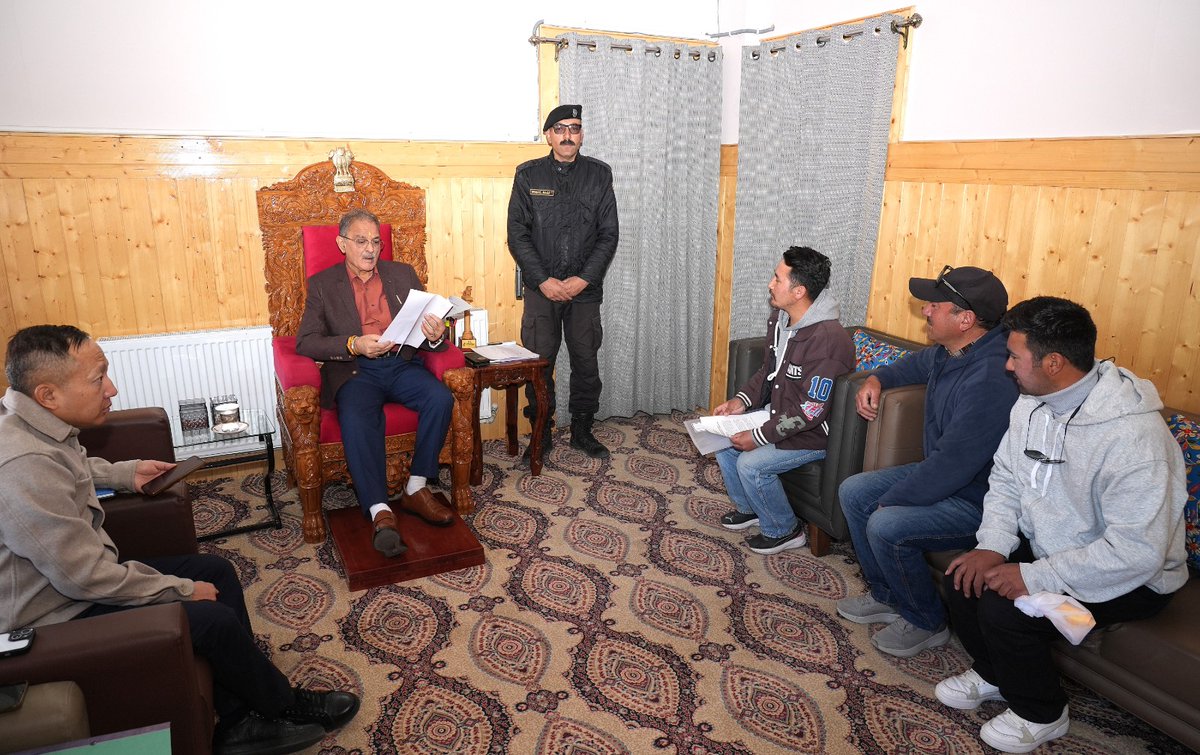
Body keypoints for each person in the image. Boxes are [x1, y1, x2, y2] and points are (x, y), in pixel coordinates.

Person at [0, 325, 360, 755]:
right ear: (48, 394)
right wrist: (181, 591)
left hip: (72, 584)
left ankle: (240, 714)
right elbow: (84, 579)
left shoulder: (32, 426)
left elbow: (69, 469)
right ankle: (279, 705)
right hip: (53, 617)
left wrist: (122, 472)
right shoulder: (21, 465)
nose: (111, 389)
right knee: (210, 613)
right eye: (98, 379)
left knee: (217, 570)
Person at [936, 297, 1187, 753]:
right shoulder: (1031, 403)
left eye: (1014, 356)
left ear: (1053, 362)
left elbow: (1137, 552)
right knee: (964, 577)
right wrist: (993, 544)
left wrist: (1032, 575)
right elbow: (1007, 479)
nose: (1007, 366)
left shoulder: (1135, 438)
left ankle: (1043, 712)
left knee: (1003, 608)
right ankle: (994, 673)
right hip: (1055, 547)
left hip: (1134, 576)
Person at [836, 265, 1018, 657]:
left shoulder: (992, 379)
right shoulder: (952, 351)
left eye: (935, 305)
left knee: (885, 521)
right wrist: (876, 379)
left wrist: (895, 498)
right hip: (948, 477)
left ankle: (926, 620)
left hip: (979, 500)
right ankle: (887, 595)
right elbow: (912, 366)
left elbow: (954, 464)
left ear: (965, 319)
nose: (925, 311)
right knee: (854, 491)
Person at [296, 208, 455, 558]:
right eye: (361, 241)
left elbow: (432, 333)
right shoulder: (323, 285)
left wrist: (434, 334)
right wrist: (353, 343)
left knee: (440, 398)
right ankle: (379, 511)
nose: (370, 249)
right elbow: (305, 340)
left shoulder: (402, 274)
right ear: (342, 244)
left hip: (399, 364)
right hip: (355, 370)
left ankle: (416, 487)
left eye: (376, 241)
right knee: (355, 416)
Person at [713, 246, 854, 554]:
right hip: (778, 414)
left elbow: (811, 411)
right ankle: (750, 507)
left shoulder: (828, 341)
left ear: (799, 290)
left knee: (751, 464)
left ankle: (784, 529)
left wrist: (759, 435)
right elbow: (768, 372)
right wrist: (740, 402)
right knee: (724, 440)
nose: (770, 284)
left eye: (777, 279)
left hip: (812, 434)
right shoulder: (781, 319)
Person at [507, 103, 619, 461]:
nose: (568, 135)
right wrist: (543, 281)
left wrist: (583, 279)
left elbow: (608, 234)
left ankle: (582, 430)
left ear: (581, 134)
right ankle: (541, 433)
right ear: (549, 135)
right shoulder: (529, 175)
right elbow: (517, 234)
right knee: (539, 364)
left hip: (585, 292)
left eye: (574, 128)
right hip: (543, 292)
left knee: (586, 362)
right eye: (560, 129)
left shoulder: (599, 175)